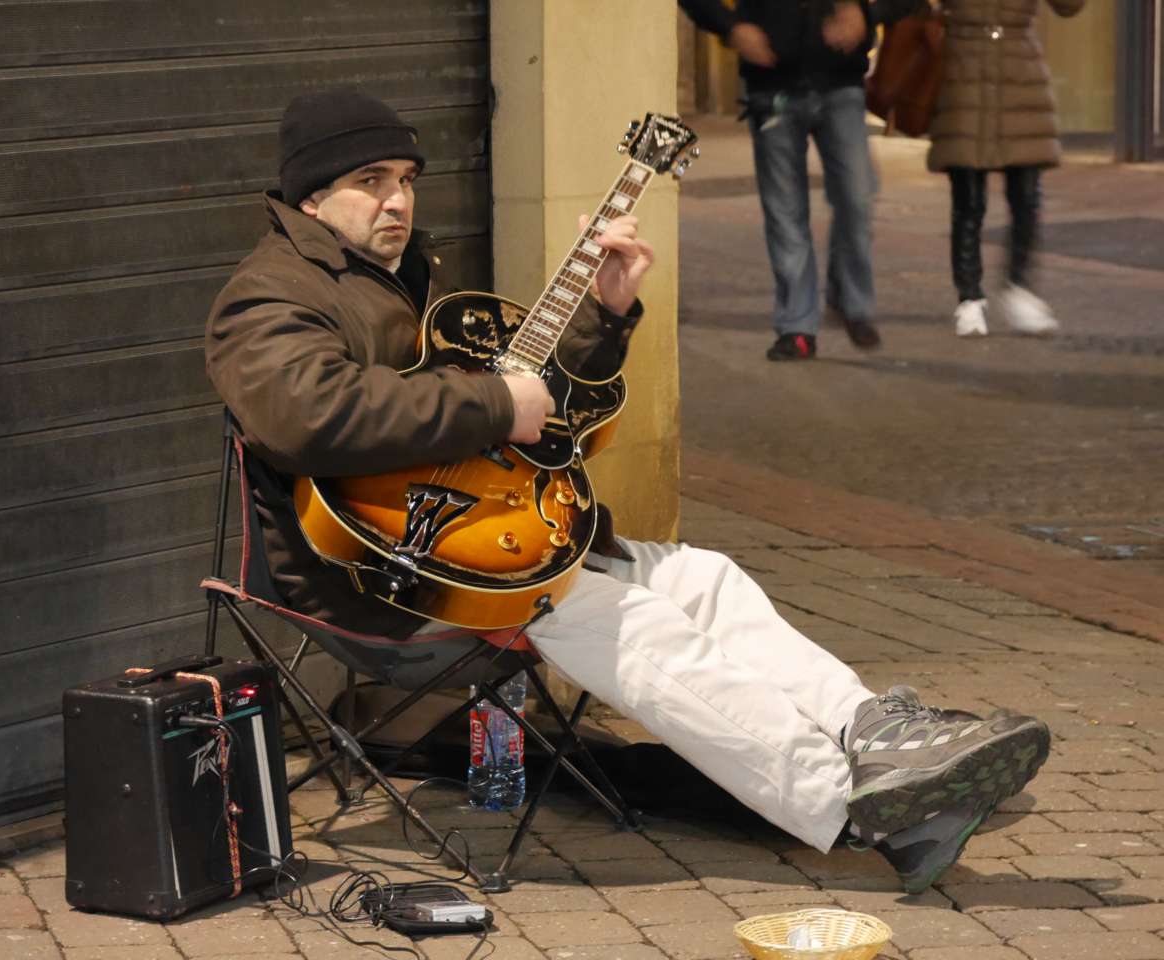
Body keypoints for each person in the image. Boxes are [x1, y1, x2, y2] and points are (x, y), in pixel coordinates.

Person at [205, 90, 1050, 893]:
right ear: (311, 199)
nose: (397, 202)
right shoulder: (271, 294)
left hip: (476, 539)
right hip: (369, 579)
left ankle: (878, 736)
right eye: (369, 182)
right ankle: (858, 805)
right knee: (626, 620)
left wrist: (604, 316)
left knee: (700, 577)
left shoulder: (403, 277)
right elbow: (307, 413)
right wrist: (497, 402)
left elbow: (550, 415)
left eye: (406, 181)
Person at [679, 0, 921, 360]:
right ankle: (797, 327)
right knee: (785, 212)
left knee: (858, 198)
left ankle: (851, 300)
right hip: (770, 85)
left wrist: (868, 14)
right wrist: (730, 27)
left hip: (841, 82)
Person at [928, 0, 1086, 338]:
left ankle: (1018, 288)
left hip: (1020, 76)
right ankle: (970, 297)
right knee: (968, 199)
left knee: (1027, 197)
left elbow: (1070, 6)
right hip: (965, 73)